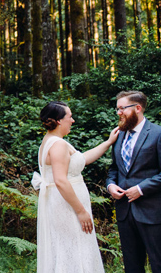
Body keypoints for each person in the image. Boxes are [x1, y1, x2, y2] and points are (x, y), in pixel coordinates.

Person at [33, 101, 118, 273]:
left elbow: (82, 159)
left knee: (71, 247)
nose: (72, 121)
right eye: (69, 117)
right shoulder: (58, 145)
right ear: (58, 121)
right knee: (73, 249)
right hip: (68, 207)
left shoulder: (51, 141)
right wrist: (80, 211)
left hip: (64, 204)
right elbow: (61, 181)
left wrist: (108, 142)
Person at [106, 90, 161, 273]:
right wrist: (110, 185)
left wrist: (141, 188)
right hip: (125, 212)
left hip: (154, 212)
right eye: (117, 109)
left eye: (122, 108)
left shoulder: (160, 134)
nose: (118, 113)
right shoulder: (119, 135)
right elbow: (114, 169)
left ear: (138, 108)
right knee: (132, 267)